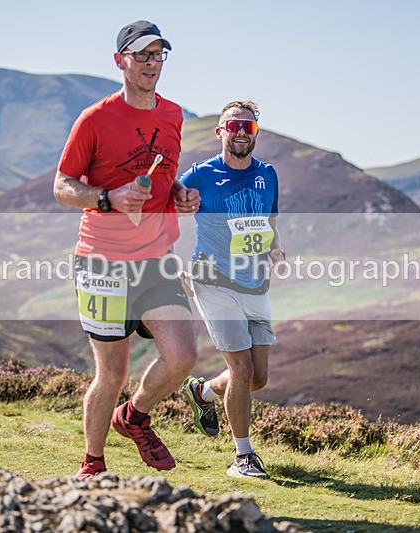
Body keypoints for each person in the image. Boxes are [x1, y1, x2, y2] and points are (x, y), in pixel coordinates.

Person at [53, 20, 201, 480]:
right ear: (120, 61)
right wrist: (107, 198)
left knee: (183, 356)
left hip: (156, 258)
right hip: (102, 261)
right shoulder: (95, 118)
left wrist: (179, 193)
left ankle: (133, 418)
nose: (152, 64)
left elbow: (163, 177)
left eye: (159, 55)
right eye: (142, 56)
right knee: (111, 373)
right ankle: (92, 463)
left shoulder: (173, 115)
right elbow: (62, 186)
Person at [179, 100, 285, 479]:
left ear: (255, 132)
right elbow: (164, 214)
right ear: (220, 132)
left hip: (255, 284)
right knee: (240, 368)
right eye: (233, 126)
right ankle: (243, 457)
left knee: (257, 378)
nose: (241, 132)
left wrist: (273, 247)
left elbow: (268, 219)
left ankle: (203, 392)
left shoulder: (268, 174)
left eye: (248, 127)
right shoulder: (200, 176)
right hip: (213, 282)